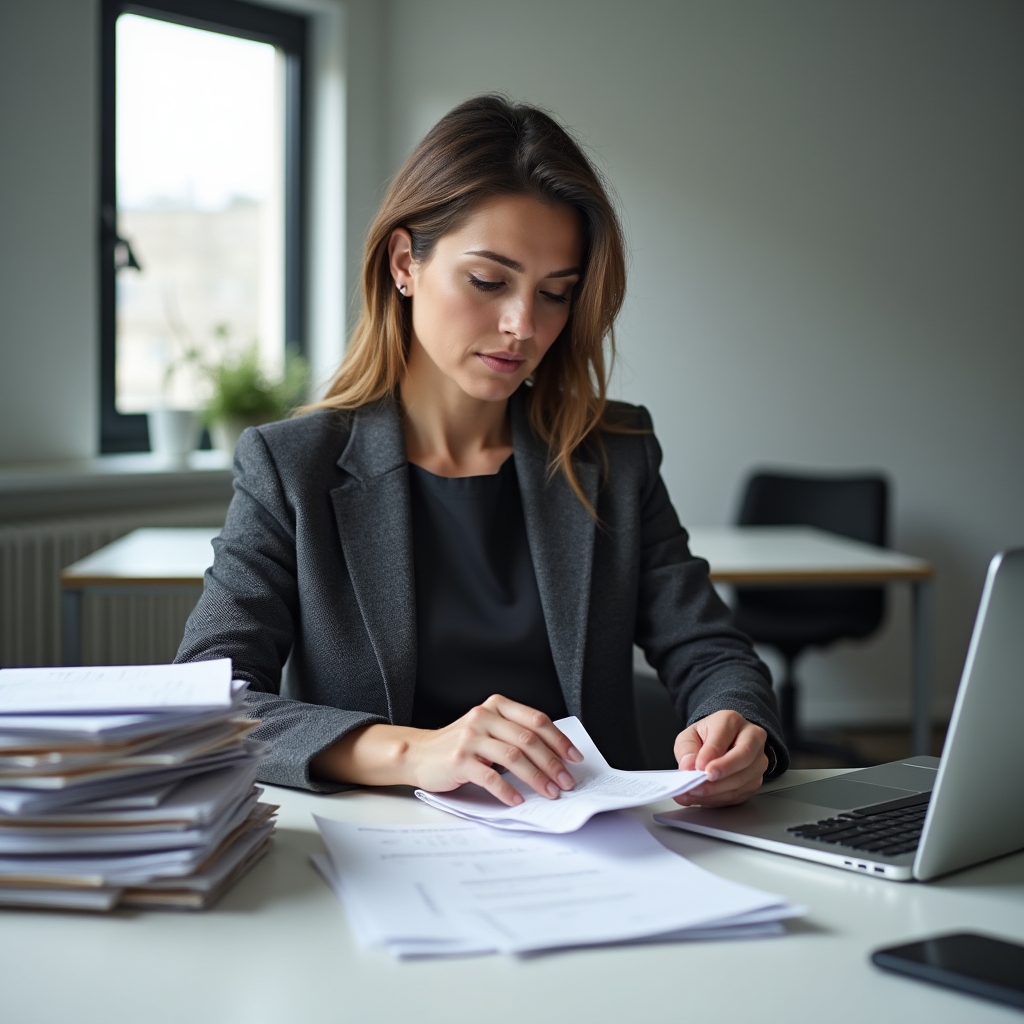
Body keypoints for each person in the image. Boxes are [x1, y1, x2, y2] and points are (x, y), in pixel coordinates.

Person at [176, 95, 788, 809]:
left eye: (556, 294)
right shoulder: (292, 467)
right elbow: (209, 700)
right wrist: (416, 749)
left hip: (590, 849)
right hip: (377, 853)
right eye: (489, 281)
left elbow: (710, 651)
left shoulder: (611, 455)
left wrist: (740, 727)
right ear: (405, 262)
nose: (522, 326)